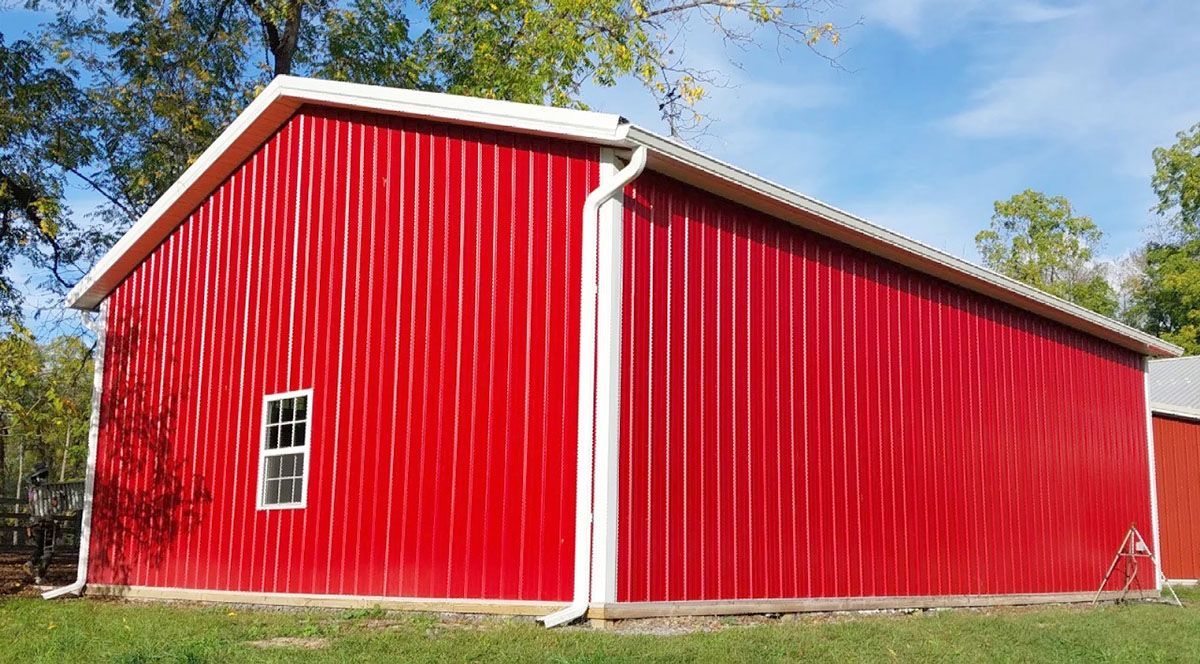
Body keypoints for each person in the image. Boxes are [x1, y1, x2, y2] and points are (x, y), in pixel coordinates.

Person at [23, 462, 56, 584]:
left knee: (39, 548)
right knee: (48, 550)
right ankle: (40, 575)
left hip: (35, 522)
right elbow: (54, 504)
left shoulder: (32, 491)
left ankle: (30, 563)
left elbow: (30, 507)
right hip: (47, 521)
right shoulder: (49, 489)